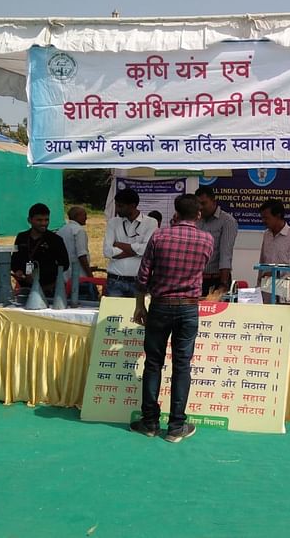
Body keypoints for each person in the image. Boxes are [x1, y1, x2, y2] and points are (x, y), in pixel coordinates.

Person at [131, 194, 213, 443]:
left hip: (160, 306)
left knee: (153, 363)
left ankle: (149, 422)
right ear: (198, 214)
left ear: (175, 212)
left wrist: (139, 306)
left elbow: (143, 276)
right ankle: (177, 425)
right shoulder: (207, 239)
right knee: (182, 365)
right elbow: (204, 267)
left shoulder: (159, 236)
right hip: (188, 308)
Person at [103, 188, 158, 297]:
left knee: (138, 313)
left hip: (139, 282)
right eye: (116, 205)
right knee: (114, 314)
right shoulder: (113, 222)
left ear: (132, 205)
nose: (117, 209)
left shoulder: (150, 222)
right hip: (115, 280)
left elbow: (147, 250)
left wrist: (118, 244)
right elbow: (107, 252)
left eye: (121, 206)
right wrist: (137, 250)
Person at [11, 203, 69, 296]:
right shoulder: (22, 237)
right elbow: (14, 260)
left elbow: (64, 264)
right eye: (39, 220)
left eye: (46, 220)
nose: (43, 223)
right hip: (25, 287)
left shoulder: (55, 239)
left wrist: (39, 276)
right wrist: (18, 271)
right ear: (29, 220)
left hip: (48, 289)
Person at [257, 198, 290, 302]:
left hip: (288, 293)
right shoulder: (266, 235)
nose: (263, 221)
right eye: (262, 218)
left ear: (278, 215)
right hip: (267, 292)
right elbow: (262, 263)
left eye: (266, 218)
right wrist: (258, 287)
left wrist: (277, 274)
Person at [196, 185, 238, 295]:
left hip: (217, 279)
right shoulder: (196, 220)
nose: (201, 207)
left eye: (204, 203)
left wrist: (223, 284)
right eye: (198, 204)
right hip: (197, 280)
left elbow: (225, 254)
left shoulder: (227, 221)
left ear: (214, 202)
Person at [56, 206, 98, 300]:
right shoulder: (79, 231)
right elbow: (81, 255)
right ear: (77, 216)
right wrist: (90, 276)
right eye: (84, 215)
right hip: (79, 279)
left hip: (64, 277)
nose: (86, 218)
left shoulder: (61, 230)